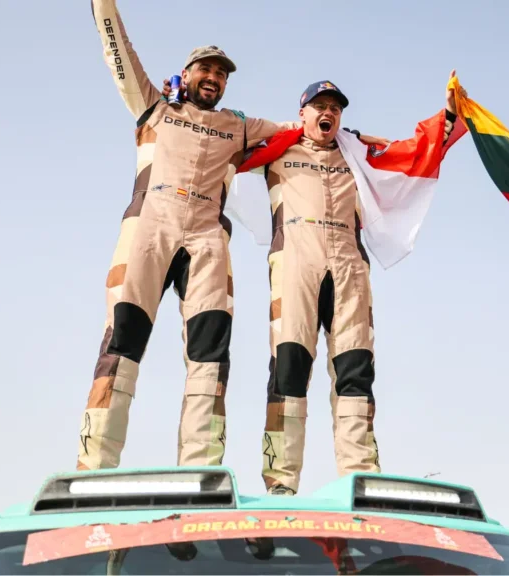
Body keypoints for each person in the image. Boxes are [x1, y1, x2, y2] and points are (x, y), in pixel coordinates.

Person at [79, 0, 385, 471]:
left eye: (221, 74)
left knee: (210, 356)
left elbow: (299, 130)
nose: (213, 77)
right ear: (186, 73)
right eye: (205, 69)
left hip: (207, 238)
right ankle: (95, 465)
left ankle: (200, 470)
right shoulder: (153, 106)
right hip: (149, 229)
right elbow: (118, 50)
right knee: (123, 338)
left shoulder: (238, 126)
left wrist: (359, 139)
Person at [229, 75, 467, 495]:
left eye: (335, 108)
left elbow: (414, 154)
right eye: (320, 106)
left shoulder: (358, 153)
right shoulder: (277, 148)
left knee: (355, 371)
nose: (329, 113)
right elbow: (216, 144)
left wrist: (449, 114)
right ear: (302, 113)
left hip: (349, 266)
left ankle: (361, 476)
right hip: (295, 262)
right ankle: (280, 482)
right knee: (288, 368)